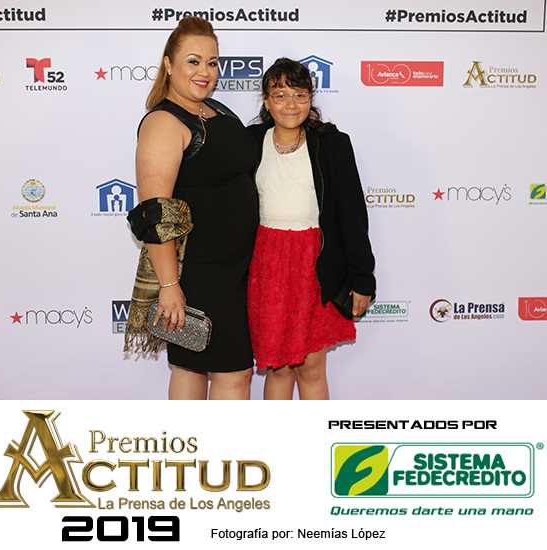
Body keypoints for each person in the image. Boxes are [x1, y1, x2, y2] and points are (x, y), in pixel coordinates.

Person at [124, 17, 258, 400]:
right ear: (169, 64)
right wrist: (170, 287)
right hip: (201, 273)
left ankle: (189, 438)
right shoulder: (164, 122)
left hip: (237, 269)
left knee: (191, 365)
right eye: (194, 61)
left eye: (212, 62)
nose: (205, 71)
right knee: (235, 373)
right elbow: (156, 216)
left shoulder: (216, 110)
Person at [247, 58, 376, 400]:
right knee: (277, 366)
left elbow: (353, 215)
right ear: (266, 100)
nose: (290, 104)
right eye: (280, 95)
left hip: (316, 265)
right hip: (267, 265)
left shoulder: (332, 144)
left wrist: (363, 279)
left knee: (311, 367)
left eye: (300, 95)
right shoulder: (249, 142)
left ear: (311, 98)